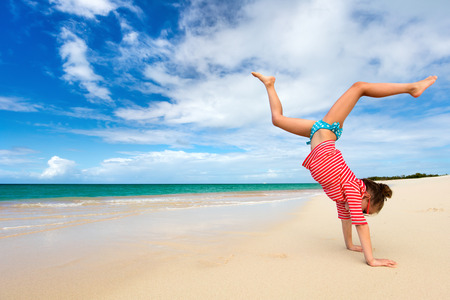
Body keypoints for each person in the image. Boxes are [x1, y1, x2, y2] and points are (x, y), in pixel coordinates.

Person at [252, 72, 437, 268]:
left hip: (317, 133)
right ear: (365, 196)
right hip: (327, 131)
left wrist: (349, 245)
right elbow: (360, 224)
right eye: (365, 210)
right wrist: (371, 259)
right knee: (359, 87)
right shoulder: (352, 188)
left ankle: (270, 84)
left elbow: (346, 219)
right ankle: (412, 88)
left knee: (277, 119)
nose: (360, 212)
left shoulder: (342, 198)